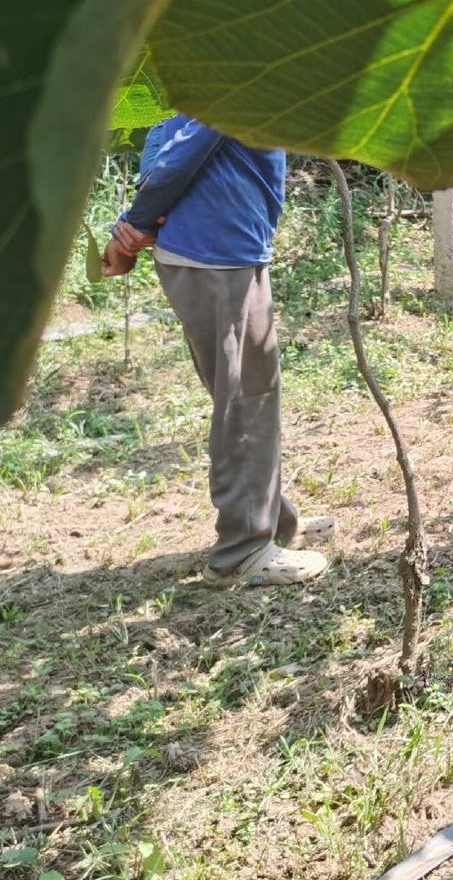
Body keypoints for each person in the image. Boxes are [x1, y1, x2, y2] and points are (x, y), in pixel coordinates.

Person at [102, 115, 332, 588]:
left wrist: (135, 227)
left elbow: (162, 144)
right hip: (219, 254)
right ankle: (243, 550)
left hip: (221, 251)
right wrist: (133, 225)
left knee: (249, 398)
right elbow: (178, 154)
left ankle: (274, 522)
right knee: (246, 403)